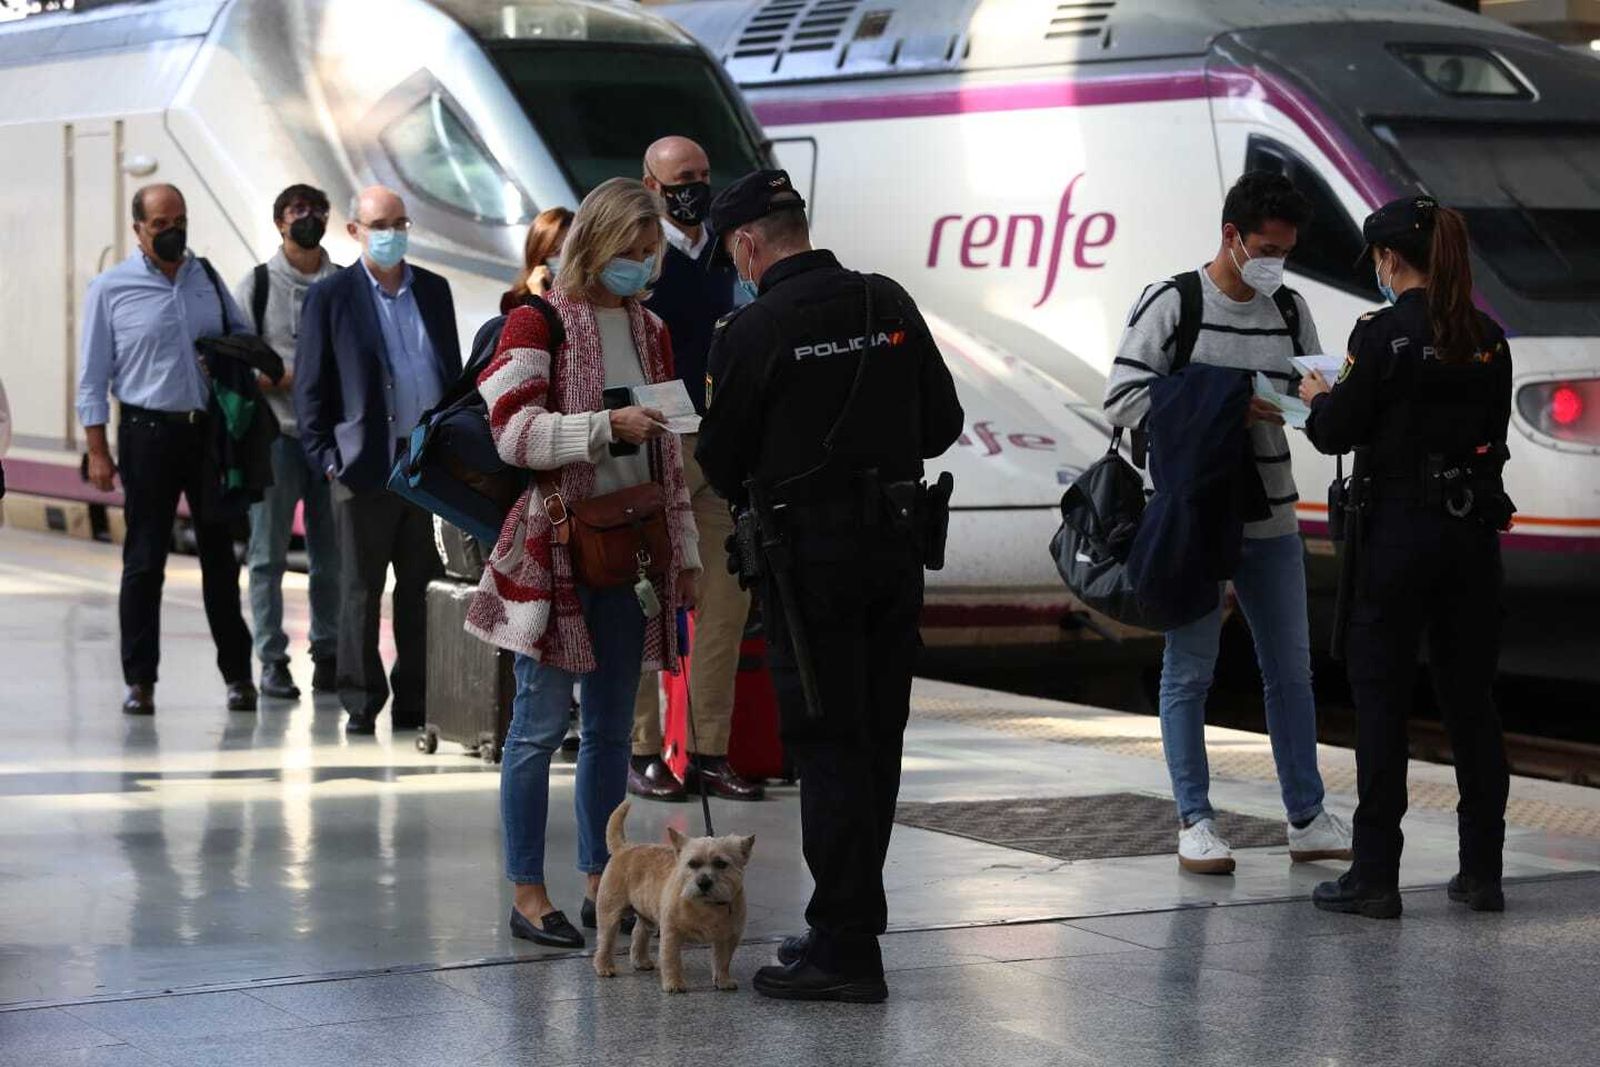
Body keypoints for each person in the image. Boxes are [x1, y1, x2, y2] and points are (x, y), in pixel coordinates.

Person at [696, 170, 964, 1002]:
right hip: (893, 553)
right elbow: (943, 424)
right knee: (877, 739)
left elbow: (720, 462)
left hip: (807, 568)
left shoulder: (751, 330)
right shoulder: (888, 303)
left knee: (825, 744)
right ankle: (847, 917)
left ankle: (845, 947)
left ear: (746, 245)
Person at [465, 178, 701, 949]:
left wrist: (687, 552)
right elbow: (514, 433)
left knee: (606, 729)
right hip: (560, 546)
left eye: (650, 252)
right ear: (596, 246)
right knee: (535, 728)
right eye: (631, 252)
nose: (643, 266)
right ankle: (528, 891)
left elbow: (667, 457)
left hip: (634, 548)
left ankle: (602, 878)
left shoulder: (653, 329)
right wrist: (605, 425)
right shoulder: (535, 323)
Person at [1102, 171, 1352, 874]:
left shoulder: (1290, 308)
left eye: (1287, 252)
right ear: (1232, 238)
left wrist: (1315, 401)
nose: (1277, 264)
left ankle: (1306, 815)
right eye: (1268, 248)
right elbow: (1120, 398)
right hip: (1193, 518)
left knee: (1292, 672)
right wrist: (1228, 402)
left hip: (1272, 514)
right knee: (1191, 669)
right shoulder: (1174, 301)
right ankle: (1195, 819)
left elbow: (1315, 400)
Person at [1300, 197, 1513, 919]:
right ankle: (1482, 871)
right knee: (1472, 705)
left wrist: (1319, 396)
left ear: (1391, 260)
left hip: (1395, 537)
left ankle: (1375, 876)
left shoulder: (1381, 332)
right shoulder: (1487, 337)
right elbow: (1491, 433)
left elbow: (1336, 431)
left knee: (1384, 703)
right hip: (1470, 540)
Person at [77, 183, 257, 716]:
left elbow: (244, 339)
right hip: (146, 436)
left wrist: (227, 358)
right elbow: (91, 379)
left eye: (178, 219)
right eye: (159, 223)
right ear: (138, 230)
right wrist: (97, 451)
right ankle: (140, 681)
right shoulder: (110, 289)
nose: (172, 230)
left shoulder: (207, 279)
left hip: (207, 435)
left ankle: (238, 677)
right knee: (145, 560)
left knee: (220, 559)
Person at [294, 185, 460, 735]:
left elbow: (451, 374)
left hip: (423, 465)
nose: (391, 234)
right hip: (363, 466)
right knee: (360, 589)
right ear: (355, 231)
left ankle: (415, 698)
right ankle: (361, 699)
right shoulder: (331, 297)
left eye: (399, 223)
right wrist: (327, 458)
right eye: (379, 224)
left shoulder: (433, 291)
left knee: (421, 586)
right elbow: (311, 388)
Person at [629, 134, 759, 803]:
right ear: (650, 184)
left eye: (703, 175)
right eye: (683, 176)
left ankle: (710, 748)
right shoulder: (636, 257)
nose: (695, 188)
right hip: (656, 440)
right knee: (645, 598)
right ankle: (641, 747)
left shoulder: (731, 250)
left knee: (725, 603)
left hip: (719, 442)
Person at [234, 184, 341, 701]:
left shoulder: (344, 285)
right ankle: (272, 660)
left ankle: (327, 653)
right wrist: (290, 378)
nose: (310, 218)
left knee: (331, 556)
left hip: (329, 442)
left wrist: (307, 379)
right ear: (280, 221)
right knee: (267, 554)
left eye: (318, 210)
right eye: (299, 211)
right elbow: (236, 364)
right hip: (273, 438)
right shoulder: (256, 285)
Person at [505, 206, 572, 310]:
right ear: (540, 257)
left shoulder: (596, 294)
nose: (565, 257)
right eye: (555, 252)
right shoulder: (516, 302)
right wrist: (540, 300)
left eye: (570, 249)